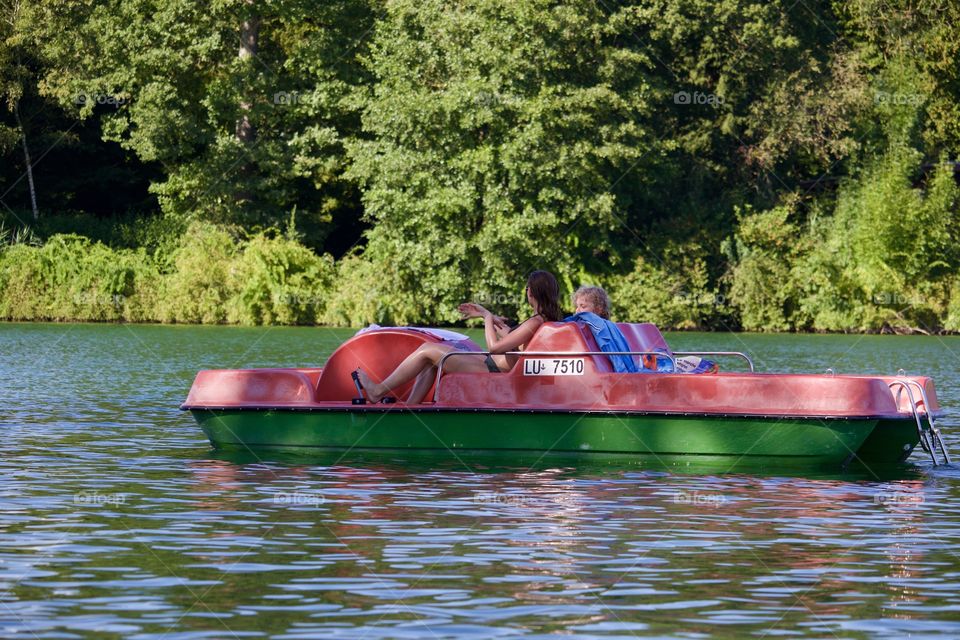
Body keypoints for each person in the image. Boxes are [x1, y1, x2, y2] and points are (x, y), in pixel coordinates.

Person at [354, 270, 564, 404]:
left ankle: (378, 391)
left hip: (492, 368)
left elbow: (494, 348)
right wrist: (487, 315)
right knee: (432, 360)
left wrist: (488, 318)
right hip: (491, 364)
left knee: (428, 350)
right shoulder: (542, 319)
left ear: (531, 292)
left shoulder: (536, 321)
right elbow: (512, 338)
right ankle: (410, 409)